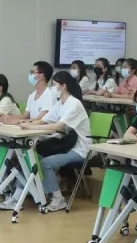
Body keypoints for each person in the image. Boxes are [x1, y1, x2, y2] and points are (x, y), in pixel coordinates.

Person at [10, 71, 91, 213]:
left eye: (54, 85)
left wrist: (31, 127)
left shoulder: (74, 104)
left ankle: (58, 199)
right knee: (32, 158)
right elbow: (44, 120)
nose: (52, 88)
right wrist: (26, 123)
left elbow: (58, 126)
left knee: (45, 163)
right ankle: (18, 197)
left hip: (79, 149)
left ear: (63, 86)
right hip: (65, 145)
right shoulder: (60, 103)